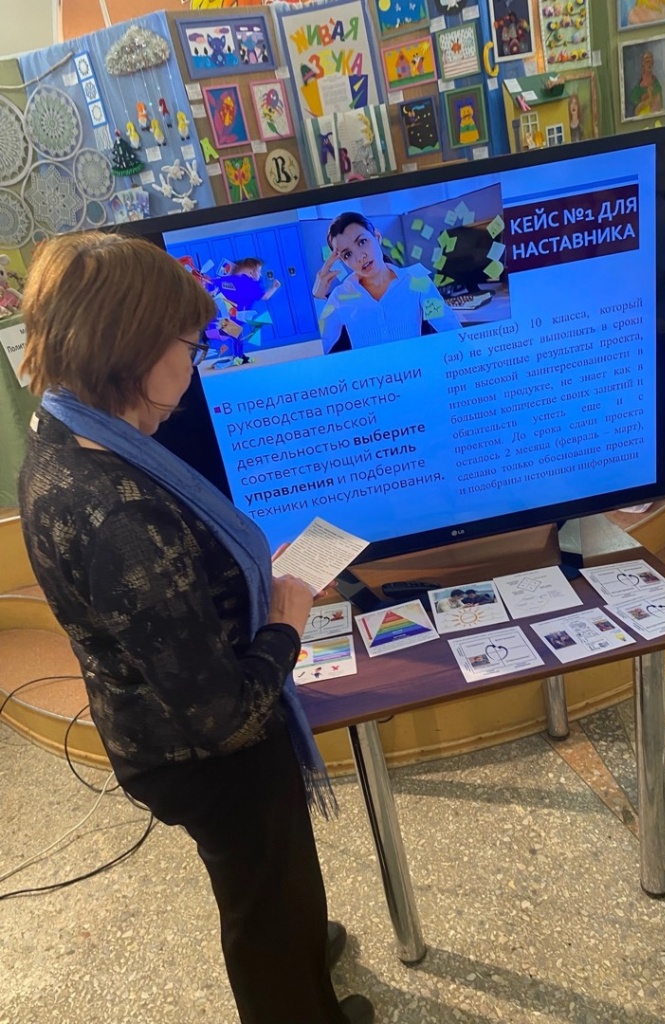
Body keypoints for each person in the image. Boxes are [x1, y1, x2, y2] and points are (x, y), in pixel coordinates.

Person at [16, 232, 374, 1024]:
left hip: (150, 719)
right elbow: (224, 715)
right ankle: (292, 994)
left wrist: (231, 575)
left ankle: (297, 948)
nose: (196, 364)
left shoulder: (64, 435)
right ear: (132, 349)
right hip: (207, 759)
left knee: (272, 885)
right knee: (262, 904)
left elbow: (159, 593)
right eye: (189, 346)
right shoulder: (116, 515)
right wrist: (284, 621)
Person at [312, 211, 460, 353]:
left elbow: (449, 327)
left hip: (415, 368)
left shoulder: (416, 280)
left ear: (377, 237)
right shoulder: (340, 297)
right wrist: (317, 297)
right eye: (347, 254)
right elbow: (317, 349)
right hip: (371, 371)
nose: (360, 257)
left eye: (362, 242)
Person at [208, 257, 281, 364]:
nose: (260, 275)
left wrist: (212, 287)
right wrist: (275, 287)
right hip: (234, 315)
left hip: (232, 314)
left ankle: (239, 356)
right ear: (251, 272)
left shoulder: (233, 280)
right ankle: (237, 355)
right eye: (259, 272)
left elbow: (216, 284)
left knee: (237, 335)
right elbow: (265, 296)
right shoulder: (250, 284)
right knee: (234, 334)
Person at [629, 50, 664, 118]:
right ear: (643, 64)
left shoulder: (656, 84)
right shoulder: (637, 89)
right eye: (647, 62)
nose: (649, 64)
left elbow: (659, 106)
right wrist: (645, 102)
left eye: (651, 62)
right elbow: (635, 112)